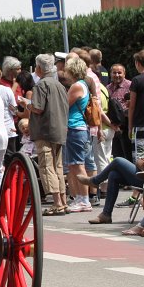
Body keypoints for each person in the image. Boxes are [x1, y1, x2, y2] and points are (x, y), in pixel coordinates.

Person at [30, 54, 68, 215]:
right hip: (59, 129)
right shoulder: (59, 85)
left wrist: (26, 104)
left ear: (39, 68)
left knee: (47, 166)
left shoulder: (41, 84)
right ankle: (63, 202)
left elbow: (38, 108)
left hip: (45, 130)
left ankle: (57, 203)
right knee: (58, 166)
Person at [65, 56, 95, 213]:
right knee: (74, 165)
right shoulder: (83, 84)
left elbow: (64, 105)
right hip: (78, 128)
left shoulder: (76, 86)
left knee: (78, 165)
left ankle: (84, 200)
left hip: (75, 128)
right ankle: (80, 198)